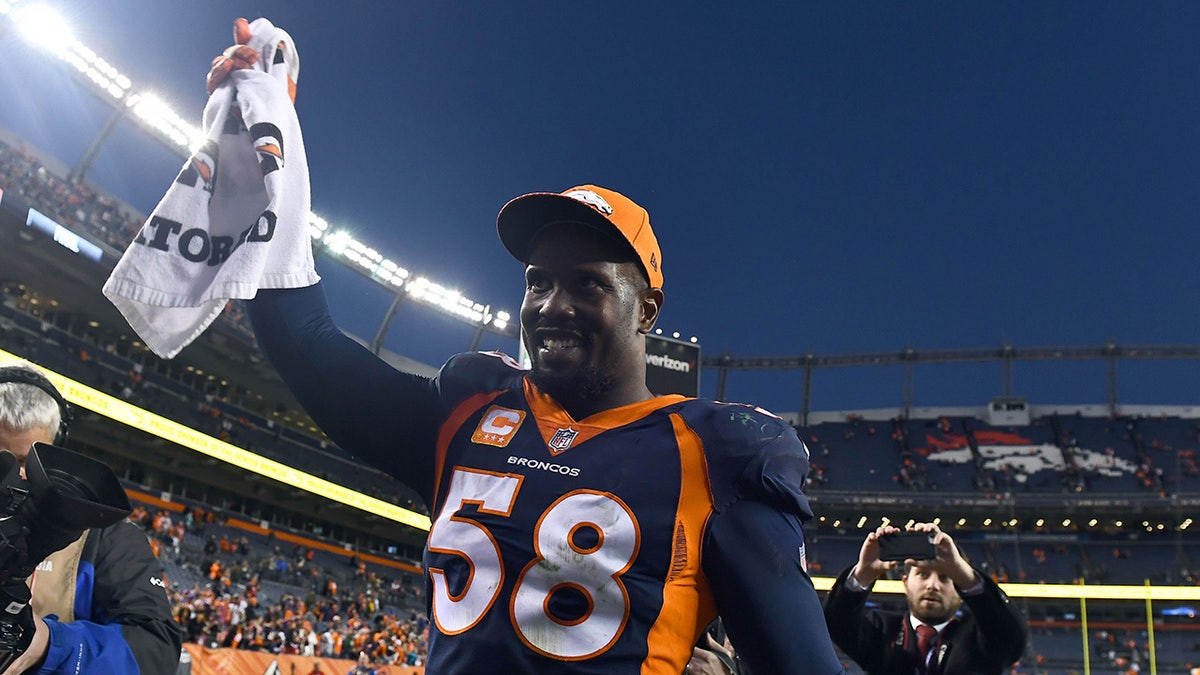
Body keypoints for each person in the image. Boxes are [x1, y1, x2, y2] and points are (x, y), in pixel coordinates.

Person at [203, 19, 845, 674]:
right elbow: (306, 343)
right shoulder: (471, 405)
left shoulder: (718, 454)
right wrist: (260, 162)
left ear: (646, 309)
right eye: (538, 281)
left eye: (588, 284)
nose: (552, 305)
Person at [0, 364, 183, 674]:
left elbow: (156, 650)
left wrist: (47, 645)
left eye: (23, 462)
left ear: (54, 454)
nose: (12, 478)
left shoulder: (103, 535)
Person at [822, 522, 1027, 674]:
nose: (933, 585)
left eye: (946, 578)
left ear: (959, 589)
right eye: (922, 574)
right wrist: (863, 573)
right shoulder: (882, 628)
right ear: (905, 581)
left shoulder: (979, 636)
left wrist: (962, 572)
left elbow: (1010, 636)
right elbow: (838, 624)